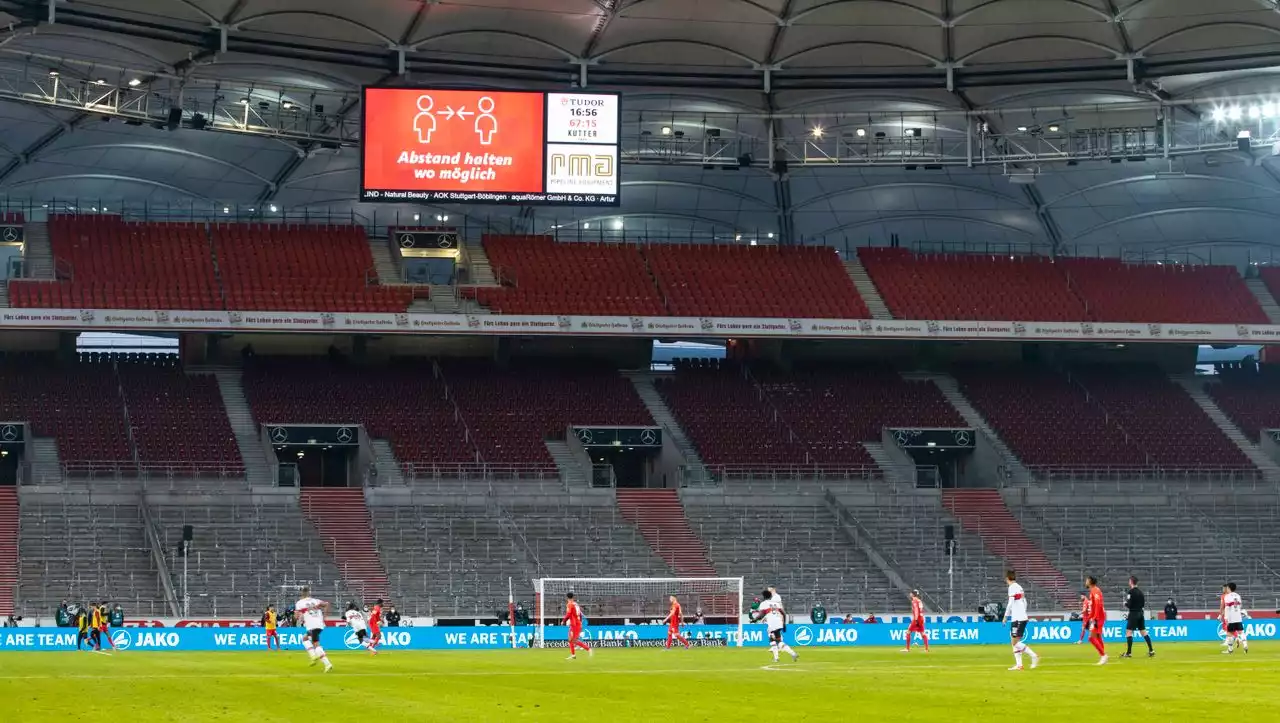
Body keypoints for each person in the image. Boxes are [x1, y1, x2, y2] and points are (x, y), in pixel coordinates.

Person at [1003, 571, 1039, 670]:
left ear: (1007, 578)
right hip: (1020, 617)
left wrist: (1005, 616)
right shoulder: (1019, 587)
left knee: (1015, 642)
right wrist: (1023, 612)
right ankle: (1019, 665)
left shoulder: (1012, 587)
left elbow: (1010, 604)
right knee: (1013, 640)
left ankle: (1034, 656)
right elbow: (1024, 601)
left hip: (1018, 618)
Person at [752, 588, 797, 663]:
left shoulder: (763, 604)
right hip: (779, 623)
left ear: (764, 597)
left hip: (772, 625)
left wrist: (755, 619)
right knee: (778, 640)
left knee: (772, 640)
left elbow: (761, 615)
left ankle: (777, 658)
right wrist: (784, 623)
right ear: (770, 596)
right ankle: (792, 654)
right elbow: (784, 613)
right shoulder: (776, 603)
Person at [294, 586, 333, 672]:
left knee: (316, 644)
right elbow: (327, 604)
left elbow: (296, 616)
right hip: (320, 624)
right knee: (304, 638)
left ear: (301, 593)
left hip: (312, 625)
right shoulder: (316, 601)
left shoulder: (299, 603)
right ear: (309, 593)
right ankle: (313, 656)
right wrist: (325, 617)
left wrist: (299, 616)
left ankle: (327, 664)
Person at [1122, 576, 1154, 658]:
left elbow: (1129, 605)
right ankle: (1151, 650)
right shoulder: (1141, 592)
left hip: (1133, 613)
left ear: (1131, 582)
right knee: (1143, 632)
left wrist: (1125, 603)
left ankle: (1129, 653)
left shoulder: (1130, 592)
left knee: (1128, 632)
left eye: (1129, 581)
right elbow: (1143, 605)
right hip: (1140, 613)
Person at [1085, 576, 1108, 665]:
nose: (1085, 582)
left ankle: (1103, 655)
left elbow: (1098, 605)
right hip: (1097, 616)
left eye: (1087, 580)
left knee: (1091, 637)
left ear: (1090, 581)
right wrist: (1089, 617)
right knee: (1098, 637)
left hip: (1098, 617)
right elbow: (1094, 607)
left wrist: (1094, 618)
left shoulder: (1095, 590)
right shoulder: (1093, 591)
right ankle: (1103, 657)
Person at [1221, 582, 1248, 654]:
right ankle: (1245, 645)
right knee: (1241, 632)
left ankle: (1230, 649)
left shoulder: (1227, 596)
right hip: (1238, 617)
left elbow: (1227, 607)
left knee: (1229, 633)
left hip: (1231, 618)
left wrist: (1226, 617)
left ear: (1229, 588)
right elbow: (1240, 606)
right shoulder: (1238, 596)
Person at [563, 592, 592, 660]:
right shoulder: (576, 604)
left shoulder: (570, 604)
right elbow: (580, 615)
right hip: (577, 623)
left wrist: (564, 621)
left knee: (573, 640)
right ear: (573, 597)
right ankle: (573, 655)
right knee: (571, 640)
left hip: (574, 624)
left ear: (567, 597)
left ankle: (588, 649)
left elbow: (569, 614)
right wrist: (580, 622)